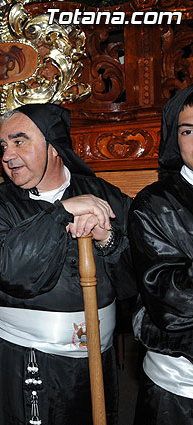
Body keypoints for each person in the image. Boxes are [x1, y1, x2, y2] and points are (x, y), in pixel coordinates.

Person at [0, 103, 136, 425]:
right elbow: (6, 269)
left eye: (20, 141)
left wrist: (108, 241)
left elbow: (136, 278)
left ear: (54, 147)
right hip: (26, 359)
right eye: (3, 145)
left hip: (97, 360)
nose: (7, 155)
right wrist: (60, 213)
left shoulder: (105, 195)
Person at [128, 85, 193, 424]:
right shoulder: (153, 204)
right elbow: (171, 301)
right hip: (179, 389)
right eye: (188, 130)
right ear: (174, 138)